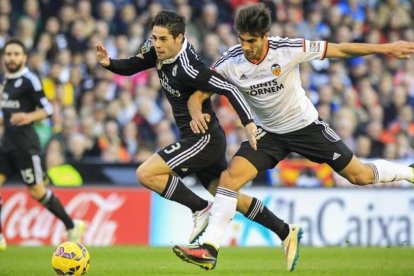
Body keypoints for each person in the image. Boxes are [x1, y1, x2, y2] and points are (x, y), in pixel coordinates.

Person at [172, 3, 414, 271]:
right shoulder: (230, 62)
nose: (246, 46)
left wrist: (387, 48)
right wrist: (195, 111)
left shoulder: (287, 50)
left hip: (305, 127)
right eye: (241, 39)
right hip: (268, 134)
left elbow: (341, 49)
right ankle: (210, 250)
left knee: (360, 176)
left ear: (266, 36)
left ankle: (409, 172)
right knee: (229, 179)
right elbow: (199, 95)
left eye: (252, 41)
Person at [96, 10, 295, 249]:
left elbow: (229, 88)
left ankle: (200, 208)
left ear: (179, 38)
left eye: (163, 39)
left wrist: (248, 123)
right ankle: (284, 230)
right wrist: (109, 64)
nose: (156, 44)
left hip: (205, 140)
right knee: (229, 197)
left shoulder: (190, 68)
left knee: (146, 174)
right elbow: (131, 66)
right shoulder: (156, 50)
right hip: (195, 138)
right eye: (154, 38)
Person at [0, 38, 85, 251]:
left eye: (16, 54)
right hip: (6, 144)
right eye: (8, 54)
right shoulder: (5, 81)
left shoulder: (30, 79)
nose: (12, 58)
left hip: (26, 146)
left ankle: (72, 225)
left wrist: (28, 117)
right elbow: (7, 113)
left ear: (24, 57)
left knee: (37, 191)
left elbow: (47, 109)